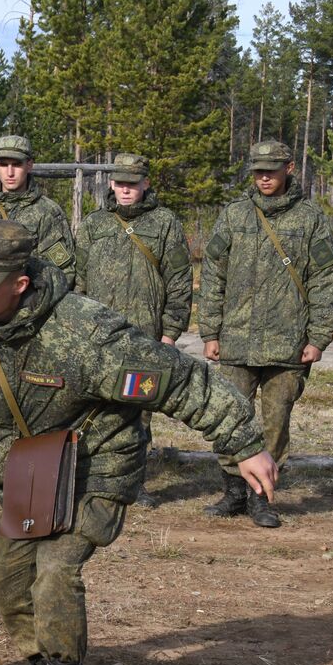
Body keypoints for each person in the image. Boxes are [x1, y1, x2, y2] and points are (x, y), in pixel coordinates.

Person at [0, 219, 277, 665]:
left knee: (55, 574)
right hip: (32, 475)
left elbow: (185, 383)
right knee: (10, 590)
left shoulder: (88, 334)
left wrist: (246, 444)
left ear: (19, 283)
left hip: (95, 469)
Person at [198, 140, 333, 528]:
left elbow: (325, 280)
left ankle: (262, 497)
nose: (264, 177)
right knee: (229, 417)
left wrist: (319, 337)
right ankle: (232, 491)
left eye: (271, 170)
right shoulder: (234, 215)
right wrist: (210, 330)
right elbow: (213, 274)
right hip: (236, 340)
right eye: (258, 171)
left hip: (288, 344)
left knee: (276, 423)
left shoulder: (310, 219)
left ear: (289, 169)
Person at [73, 152, 193, 508]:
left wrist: (169, 333)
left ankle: (135, 482)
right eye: (120, 183)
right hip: (97, 337)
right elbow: (78, 282)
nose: (126, 190)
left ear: (146, 184)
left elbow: (180, 281)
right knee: (91, 410)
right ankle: (89, 479)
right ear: (111, 184)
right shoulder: (94, 225)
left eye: (133, 183)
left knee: (139, 413)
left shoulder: (165, 224)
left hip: (144, 337)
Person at [0, 134, 75, 313]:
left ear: (29, 165)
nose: (9, 172)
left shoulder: (47, 212)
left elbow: (63, 272)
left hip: (26, 314)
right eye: (3, 164)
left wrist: (32, 309)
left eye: (16, 164)